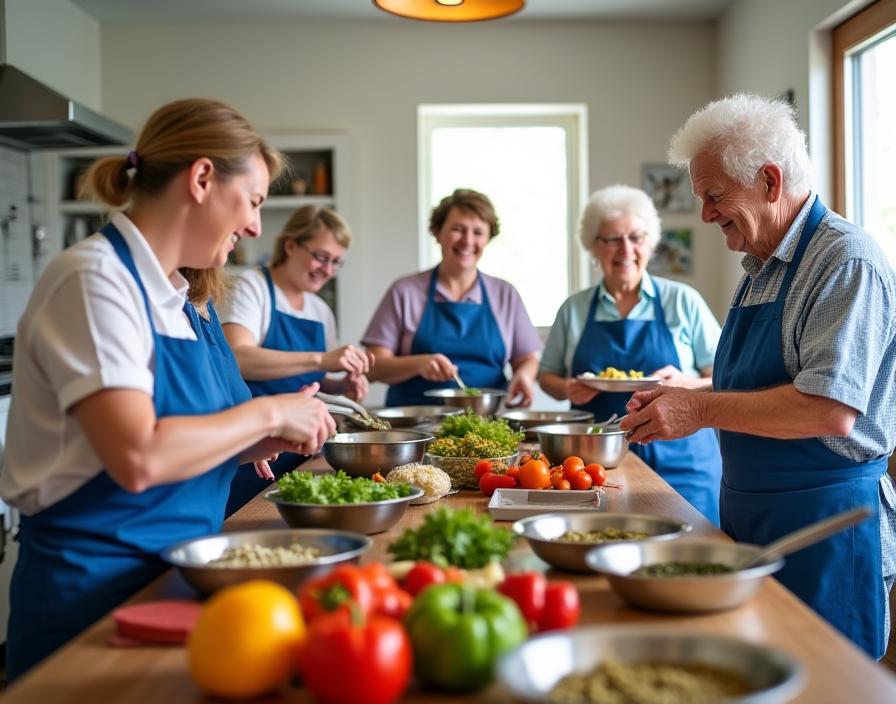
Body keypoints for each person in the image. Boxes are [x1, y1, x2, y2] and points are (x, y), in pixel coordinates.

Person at [0, 98, 335, 680]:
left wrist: (265, 437)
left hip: (180, 576)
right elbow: (138, 457)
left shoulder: (183, 301)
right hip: (95, 603)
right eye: (253, 200)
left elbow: (190, 439)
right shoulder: (94, 280)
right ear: (202, 178)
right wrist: (266, 414)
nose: (257, 225)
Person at [621, 94, 896, 659]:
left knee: (829, 684)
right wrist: (684, 394)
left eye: (715, 196)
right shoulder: (762, 267)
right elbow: (756, 385)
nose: (705, 215)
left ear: (770, 181)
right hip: (753, 517)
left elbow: (829, 410)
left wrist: (697, 410)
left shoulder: (846, 261)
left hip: (827, 528)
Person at [538, 185, 723, 524]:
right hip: (593, 466)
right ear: (594, 246)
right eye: (611, 239)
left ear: (649, 243)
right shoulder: (574, 309)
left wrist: (687, 382)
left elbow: (725, 376)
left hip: (683, 464)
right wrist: (567, 389)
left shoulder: (683, 301)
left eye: (635, 237)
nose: (625, 249)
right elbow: (546, 375)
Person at [220, 205, 372, 513]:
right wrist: (321, 359)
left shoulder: (319, 310)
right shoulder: (255, 287)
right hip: (255, 452)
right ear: (290, 245)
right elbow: (237, 357)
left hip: (305, 448)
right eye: (321, 256)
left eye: (336, 262)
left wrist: (344, 384)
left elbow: (320, 378)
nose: (327, 270)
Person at [362, 188, 541, 407]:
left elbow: (527, 358)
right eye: (458, 229)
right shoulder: (405, 291)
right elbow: (373, 366)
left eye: (478, 232)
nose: (467, 240)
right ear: (438, 232)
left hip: (487, 425)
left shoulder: (505, 294)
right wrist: (418, 364)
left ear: (488, 238)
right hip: (416, 425)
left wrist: (524, 376)